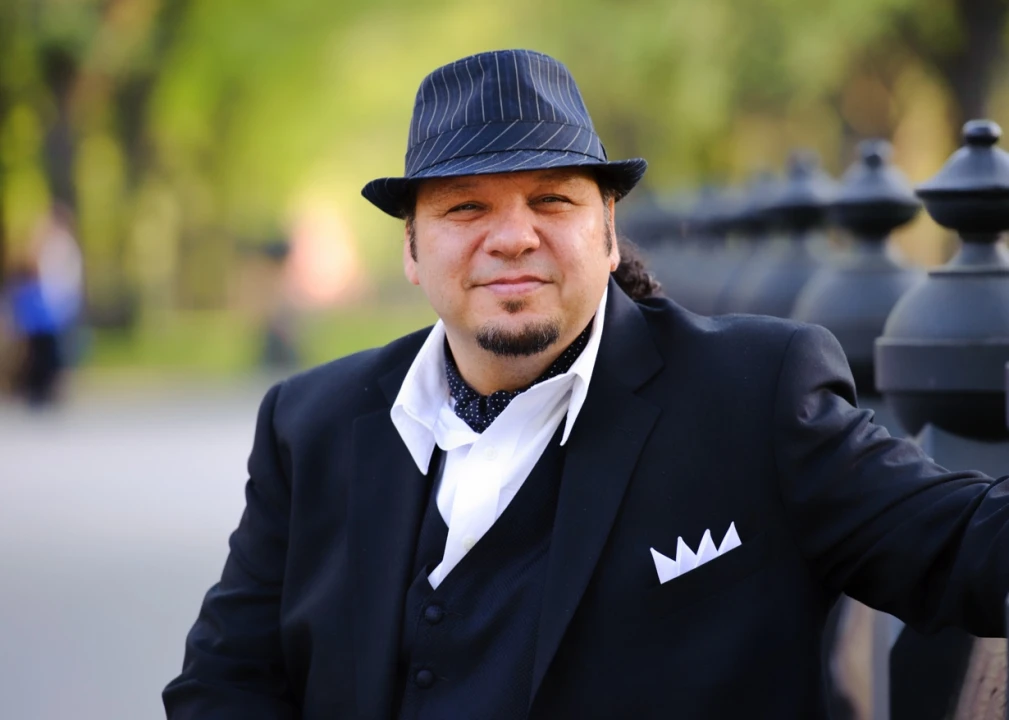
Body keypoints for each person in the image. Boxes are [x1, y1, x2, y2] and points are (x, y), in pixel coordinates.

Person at [163, 50, 1009, 719]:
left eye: (551, 200)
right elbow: (223, 685)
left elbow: (959, 546)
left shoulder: (752, 396)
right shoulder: (309, 424)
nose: (512, 237)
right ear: (412, 250)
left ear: (607, 233)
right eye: (465, 208)